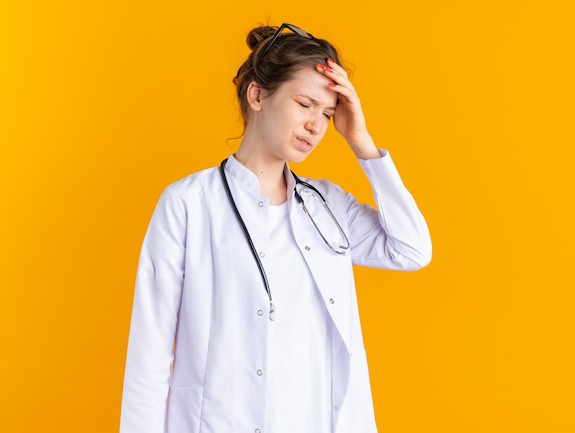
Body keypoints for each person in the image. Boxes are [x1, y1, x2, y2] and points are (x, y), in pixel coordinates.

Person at [120, 23, 432, 433]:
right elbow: (150, 352)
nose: (316, 126)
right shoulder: (188, 204)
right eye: (304, 104)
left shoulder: (328, 207)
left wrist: (361, 140)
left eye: (327, 112)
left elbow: (411, 250)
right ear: (257, 96)